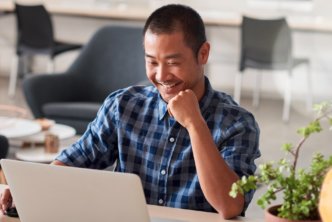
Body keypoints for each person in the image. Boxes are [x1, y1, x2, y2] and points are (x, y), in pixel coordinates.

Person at [0, 4, 260, 219]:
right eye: (152, 61)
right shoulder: (123, 106)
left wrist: (195, 124)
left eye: (173, 62)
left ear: (203, 54)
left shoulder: (237, 123)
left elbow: (230, 205)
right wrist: (28, 188)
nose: (161, 75)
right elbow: (77, 158)